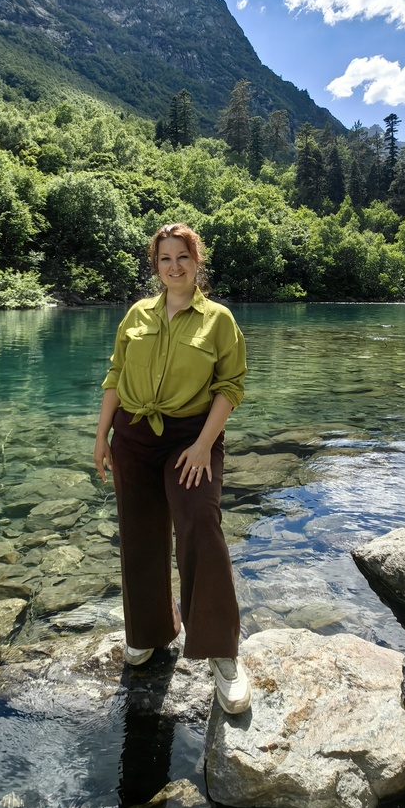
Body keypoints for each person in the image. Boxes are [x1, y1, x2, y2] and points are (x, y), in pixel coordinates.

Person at [93, 222, 251, 714]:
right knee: (140, 533)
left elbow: (231, 386)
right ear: (155, 265)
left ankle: (222, 651)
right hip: (134, 436)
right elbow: (116, 374)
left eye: (182, 257)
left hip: (191, 438)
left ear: (197, 261)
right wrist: (102, 435)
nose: (174, 266)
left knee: (200, 523)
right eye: (165, 259)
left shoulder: (219, 320)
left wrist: (205, 444)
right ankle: (153, 630)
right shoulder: (137, 314)